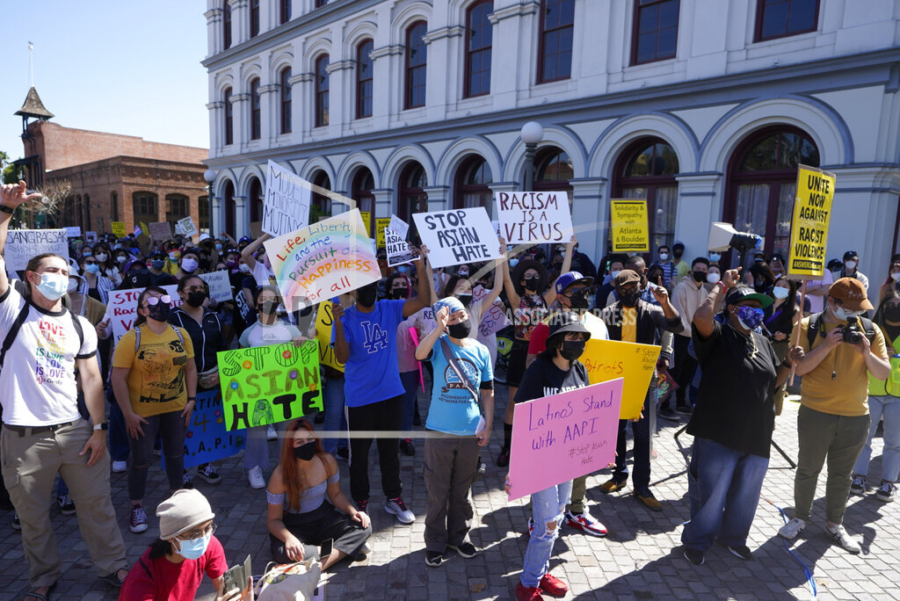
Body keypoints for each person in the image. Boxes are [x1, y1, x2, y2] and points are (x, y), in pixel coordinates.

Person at [0, 181, 129, 597]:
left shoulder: (80, 325)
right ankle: (44, 579)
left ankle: (113, 568)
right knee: (34, 520)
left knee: (98, 508)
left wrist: (98, 429)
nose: (62, 277)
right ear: (31, 276)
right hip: (23, 439)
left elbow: (92, 380)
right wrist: (5, 210)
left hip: (76, 433)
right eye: (53, 270)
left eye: (66, 271)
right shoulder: (12, 310)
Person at [681, 272, 802, 565]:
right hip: (719, 432)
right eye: (747, 304)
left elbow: (773, 382)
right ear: (731, 309)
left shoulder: (761, 340)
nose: (756, 310)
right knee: (711, 497)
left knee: (745, 496)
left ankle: (733, 538)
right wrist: (721, 286)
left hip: (757, 434)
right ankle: (697, 541)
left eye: (759, 305)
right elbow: (700, 317)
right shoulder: (718, 334)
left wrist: (787, 363)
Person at [778, 278, 890, 553]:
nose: (856, 315)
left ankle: (834, 523)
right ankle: (800, 518)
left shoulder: (870, 330)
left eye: (859, 309)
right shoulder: (808, 325)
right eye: (850, 308)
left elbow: (882, 372)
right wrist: (827, 345)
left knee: (842, 475)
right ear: (832, 302)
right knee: (808, 470)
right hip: (817, 413)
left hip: (856, 416)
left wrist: (865, 351)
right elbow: (800, 370)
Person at [332, 246, 432, 524]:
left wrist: (419, 266)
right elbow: (342, 357)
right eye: (364, 286)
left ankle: (394, 499)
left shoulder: (390, 308)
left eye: (374, 284)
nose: (371, 290)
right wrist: (338, 324)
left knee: (390, 452)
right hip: (360, 399)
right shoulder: (346, 317)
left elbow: (424, 300)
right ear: (353, 290)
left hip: (391, 395)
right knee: (359, 457)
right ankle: (361, 503)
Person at [506, 312, 591, 601]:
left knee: (556, 517)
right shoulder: (538, 370)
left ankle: (541, 571)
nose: (578, 342)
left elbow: (588, 413)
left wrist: (600, 447)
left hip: (568, 459)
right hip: (541, 461)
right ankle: (527, 584)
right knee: (547, 525)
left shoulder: (580, 369)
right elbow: (523, 418)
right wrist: (515, 468)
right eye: (572, 337)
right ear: (556, 342)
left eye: (581, 337)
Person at [522, 271, 609, 535]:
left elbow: (611, 368)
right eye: (575, 290)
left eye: (585, 288)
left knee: (579, 464)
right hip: (552, 417)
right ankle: (537, 517)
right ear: (560, 297)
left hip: (586, 412)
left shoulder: (598, 322)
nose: (583, 294)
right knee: (545, 472)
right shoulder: (545, 326)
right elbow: (532, 368)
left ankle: (577, 510)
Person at [414, 297, 494, 567]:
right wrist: (438, 329)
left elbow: (488, 390)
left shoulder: (481, 350)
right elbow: (419, 354)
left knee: (462, 490)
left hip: (471, 432)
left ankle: (459, 537)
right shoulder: (439, 344)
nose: (460, 321)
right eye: (453, 319)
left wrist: (489, 425)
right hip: (439, 431)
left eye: (461, 315)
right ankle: (435, 542)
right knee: (437, 491)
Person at [112, 287, 198, 534]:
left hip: (177, 408)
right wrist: (128, 413)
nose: (159, 304)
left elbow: (190, 369)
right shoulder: (132, 338)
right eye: (152, 301)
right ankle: (137, 506)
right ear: (142, 310)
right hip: (142, 413)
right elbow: (118, 379)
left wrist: (191, 399)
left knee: (174, 455)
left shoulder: (181, 334)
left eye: (164, 299)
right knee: (140, 460)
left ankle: (178, 502)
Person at [599, 270, 682, 511]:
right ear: (617, 290)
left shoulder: (651, 310)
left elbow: (677, 325)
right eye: (624, 289)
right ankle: (619, 475)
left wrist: (665, 303)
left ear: (641, 286)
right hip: (615, 379)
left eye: (633, 288)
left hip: (644, 382)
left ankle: (642, 486)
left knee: (643, 434)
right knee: (616, 430)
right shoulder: (608, 313)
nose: (629, 293)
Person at [497, 239, 574, 467]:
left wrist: (568, 247)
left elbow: (562, 276)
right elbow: (507, 280)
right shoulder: (516, 300)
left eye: (535, 274)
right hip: (521, 351)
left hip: (541, 352)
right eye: (527, 275)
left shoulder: (545, 299)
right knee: (514, 402)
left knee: (539, 402)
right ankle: (508, 447)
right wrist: (503, 254)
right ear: (522, 280)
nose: (533, 278)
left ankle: (534, 444)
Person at [266, 419, 372, 570]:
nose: (306, 444)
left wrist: (354, 512)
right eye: (299, 441)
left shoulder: (327, 461)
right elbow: (273, 521)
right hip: (295, 525)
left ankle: (319, 566)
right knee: (283, 553)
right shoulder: (279, 475)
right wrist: (289, 539)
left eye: (310, 439)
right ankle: (345, 549)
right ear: (290, 446)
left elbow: (336, 495)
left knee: (364, 527)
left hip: (324, 519)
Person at [118, 489, 249, 601]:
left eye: (208, 528)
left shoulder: (209, 545)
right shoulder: (141, 583)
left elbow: (225, 588)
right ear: (170, 537)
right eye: (193, 534)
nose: (203, 538)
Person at [238, 285, 303, 489]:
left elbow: (302, 360)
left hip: (285, 389)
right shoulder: (248, 333)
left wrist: (304, 341)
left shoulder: (291, 329)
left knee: (288, 429)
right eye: (262, 299)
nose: (267, 302)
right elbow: (240, 363)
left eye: (271, 298)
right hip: (258, 391)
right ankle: (254, 467)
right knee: (256, 430)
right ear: (256, 304)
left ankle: (287, 466)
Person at [170, 275, 227, 486]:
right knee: (183, 426)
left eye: (201, 288)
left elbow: (222, 348)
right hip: (183, 384)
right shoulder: (172, 318)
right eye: (192, 288)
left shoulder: (213, 316)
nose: (198, 291)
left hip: (212, 382)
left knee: (208, 424)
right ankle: (182, 469)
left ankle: (205, 464)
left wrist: (221, 373)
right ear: (181, 293)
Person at [850, 291, 900, 502]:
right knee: (864, 438)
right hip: (872, 389)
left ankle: (888, 482)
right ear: (883, 307)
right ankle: (859, 477)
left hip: (898, 394)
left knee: (894, 442)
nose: (895, 307)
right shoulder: (872, 329)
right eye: (891, 304)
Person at [669, 258, 710, 414]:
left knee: (688, 373)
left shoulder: (704, 291)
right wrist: (693, 333)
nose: (701, 271)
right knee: (675, 372)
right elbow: (679, 316)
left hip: (695, 339)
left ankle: (680, 402)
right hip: (680, 336)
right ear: (692, 271)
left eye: (704, 269)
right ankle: (665, 406)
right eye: (698, 268)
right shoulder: (681, 288)